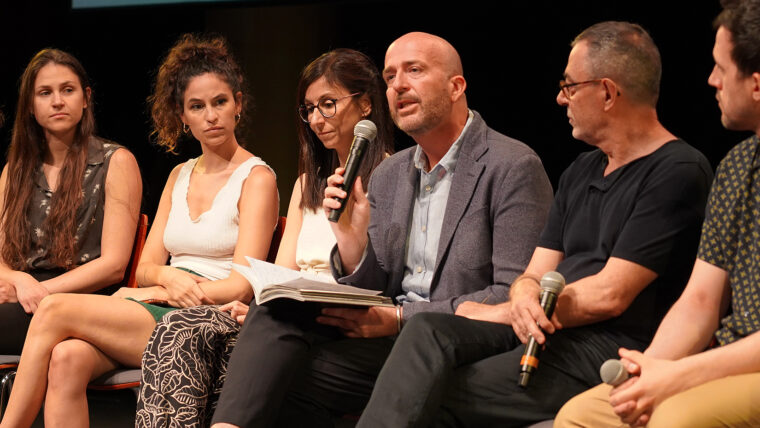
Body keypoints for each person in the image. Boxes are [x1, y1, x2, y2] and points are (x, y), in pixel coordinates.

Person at [356, 21, 715, 427]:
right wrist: (523, 297)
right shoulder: (582, 168)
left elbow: (610, 294)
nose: (561, 99)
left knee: (425, 391)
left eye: (570, 86)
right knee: (429, 334)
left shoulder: (676, 170)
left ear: (609, 92)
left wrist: (513, 311)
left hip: (608, 346)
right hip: (546, 331)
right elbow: (533, 274)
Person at [209, 32, 554, 428]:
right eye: (390, 76)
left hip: (462, 341)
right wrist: (352, 243)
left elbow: (513, 296)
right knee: (274, 314)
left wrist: (403, 316)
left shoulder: (512, 166)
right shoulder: (392, 173)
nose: (398, 85)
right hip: (392, 339)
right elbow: (377, 284)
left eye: (414, 70)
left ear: (456, 86)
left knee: (294, 378)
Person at [0, 34, 279, 428]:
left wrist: (162, 290)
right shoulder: (179, 174)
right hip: (160, 304)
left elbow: (240, 285)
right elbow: (147, 265)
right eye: (197, 107)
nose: (211, 115)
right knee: (66, 358)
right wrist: (163, 278)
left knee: (53, 307)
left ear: (238, 104)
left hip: (208, 316)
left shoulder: (257, 177)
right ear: (183, 117)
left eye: (220, 102)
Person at [134, 47, 395, 428]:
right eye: (309, 109)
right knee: (199, 327)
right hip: (294, 317)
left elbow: (388, 275)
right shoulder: (308, 183)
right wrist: (257, 307)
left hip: (347, 318)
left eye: (328, 104)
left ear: (367, 105)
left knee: (190, 333)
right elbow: (282, 272)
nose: (317, 120)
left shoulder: (395, 176)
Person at [555, 2, 760, 427]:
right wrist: (649, 369)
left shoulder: (679, 167)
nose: (711, 80)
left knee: (676, 418)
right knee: (581, 416)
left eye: (721, 68)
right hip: (723, 357)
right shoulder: (738, 165)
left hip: (739, 366)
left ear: (756, 84)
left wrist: (678, 375)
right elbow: (700, 301)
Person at [0, 48, 142, 355]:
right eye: (45, 93)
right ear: (30, 106)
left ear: (85, 97)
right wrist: (17, 280)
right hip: (24, 294)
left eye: (68, 90)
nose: (57, 101)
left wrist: (36, 291)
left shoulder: (115, 162)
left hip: (81, 300)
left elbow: (113, 266)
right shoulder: (16, 169)